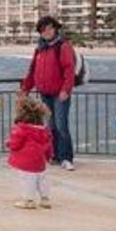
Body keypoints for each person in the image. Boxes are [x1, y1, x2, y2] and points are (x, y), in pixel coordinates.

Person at [19, 16, 76, 170]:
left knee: (61, 125)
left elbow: (69, 69)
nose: (47, 32)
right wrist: (25, 89)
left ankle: (66, 158)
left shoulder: (63, 46)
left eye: (50, 28)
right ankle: (55, 155)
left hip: (60, 93)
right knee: (51, 126)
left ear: (56, 28)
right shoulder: (39, 49)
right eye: (43, 30)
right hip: (45, 93)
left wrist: (66, 89)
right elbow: (32, 70)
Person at [7, 97, 54, 209]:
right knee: (41, 179)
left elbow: (15, 144)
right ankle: (45, 199)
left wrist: (8, 143)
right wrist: (49, 156)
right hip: (40, 160)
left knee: (26, 180)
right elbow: (49, 145)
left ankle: (29, 200)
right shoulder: (44, 130)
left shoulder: (21, 129)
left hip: (25, 160)